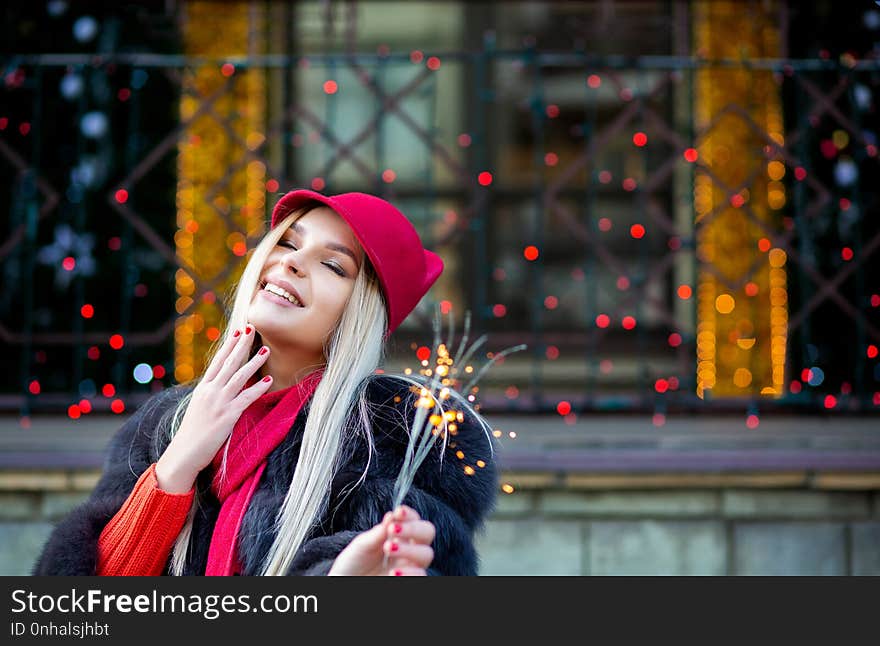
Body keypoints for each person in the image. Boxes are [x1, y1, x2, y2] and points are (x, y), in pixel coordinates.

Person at [34, 189, 498, 576]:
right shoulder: (166, 421)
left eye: (334, 266)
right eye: (288, 243)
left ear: (362, 314)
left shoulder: (398, 442)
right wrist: (177, 466)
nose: (292, 263)